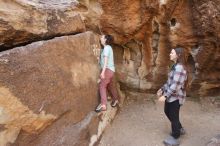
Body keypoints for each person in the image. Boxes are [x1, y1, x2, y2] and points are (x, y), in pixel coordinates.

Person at [157, 47, 188, 145]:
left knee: (174, 116)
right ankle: (180, 128)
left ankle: (175, 137)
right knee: (167, 111)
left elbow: (175, 86)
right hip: (171, 96)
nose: (170, 54)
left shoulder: (179, 68)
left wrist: (165, 96)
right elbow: (170, 82)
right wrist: (162, 89)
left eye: (172, 53)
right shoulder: (175, 65)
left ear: (178, 55)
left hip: (176, 97)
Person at [95, 34, 119, 112]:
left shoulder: (106, 48)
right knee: (111, 87)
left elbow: (105, 61)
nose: (100, 38)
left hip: (107, 70)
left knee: (102, 86)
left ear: (105, 40)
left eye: (102, 37)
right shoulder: (108, 48)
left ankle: (103, 105)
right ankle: (115, 100)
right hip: (112, 70)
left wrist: (103, 72)